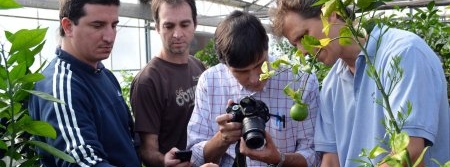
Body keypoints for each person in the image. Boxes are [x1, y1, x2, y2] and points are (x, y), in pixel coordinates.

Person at [269, 0, 450, 167]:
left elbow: (409, 152)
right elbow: (331, 160)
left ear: (330, 12)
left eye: (303, 36)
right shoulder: (332, 84)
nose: (303, 50)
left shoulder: (403, 53)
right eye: (296, 45)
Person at [187, 10, 320, 167]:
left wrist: (279, 159)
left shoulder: (301, 82)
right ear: (226, 66)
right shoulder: (211, 82)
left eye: (259, 65)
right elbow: (194, 156)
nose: (255, 78)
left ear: (267, 47)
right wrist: (222, 139)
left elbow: (315, 155)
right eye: (241, 72)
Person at [28, 0, 140, 166]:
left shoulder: (104, 74)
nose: (110, 37)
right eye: (97, 25)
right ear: (68, 26)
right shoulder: (61, 86)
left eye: (114, 25)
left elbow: (127, 141)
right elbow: (82, 162)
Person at [130, 0, 206, 166]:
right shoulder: (148, 81)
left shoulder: (199, 67)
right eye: (169, 26)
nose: (177, 34)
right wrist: (164, 161)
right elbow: (147, 150)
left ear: (195, 24)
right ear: (157, 27)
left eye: (184, 25)